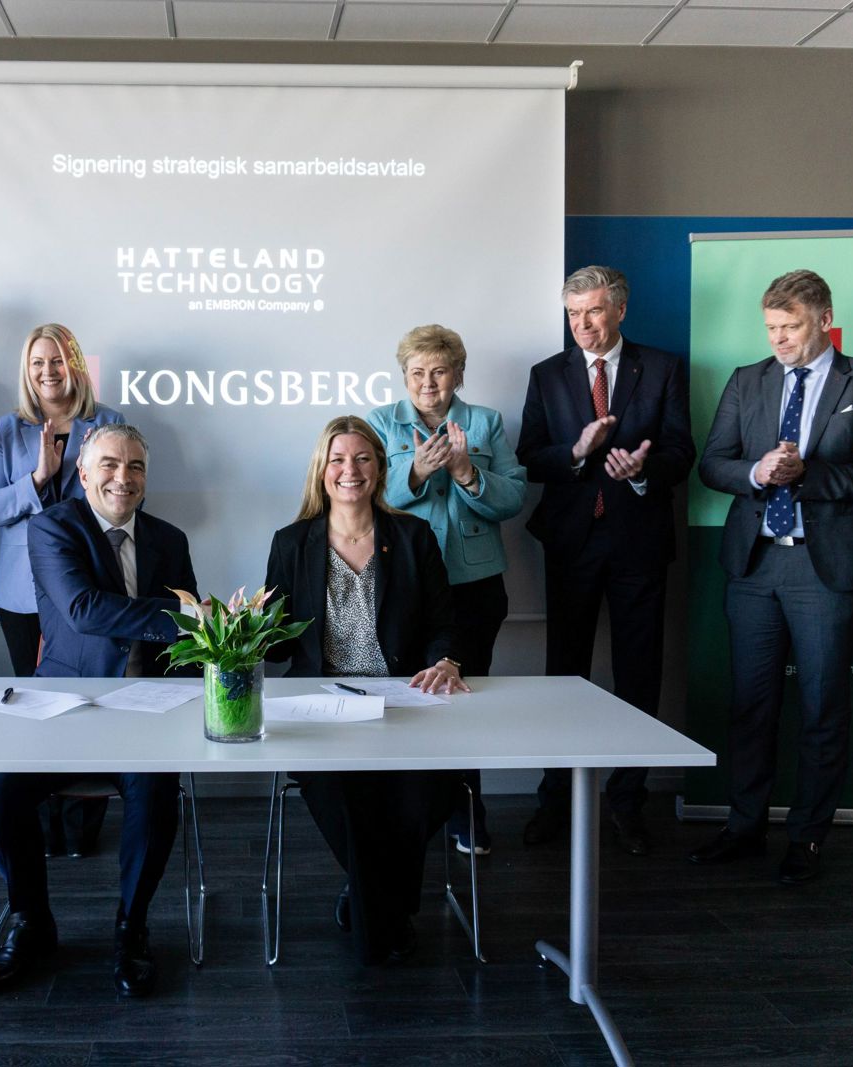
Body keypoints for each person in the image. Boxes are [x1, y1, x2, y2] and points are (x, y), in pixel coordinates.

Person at [692, 269, 853, 884]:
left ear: (824, 318)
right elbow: (713, 464)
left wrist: (803, 472)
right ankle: (744, 827)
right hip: (754, 565)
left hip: (825, 569)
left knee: (822, 707)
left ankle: (807, 838)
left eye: (791, 326)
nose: (779, 339)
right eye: (771, 328)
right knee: (750, 706)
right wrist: (757, 474)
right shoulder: (746, 379)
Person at [0, 424, 197, 997]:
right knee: (0, 790)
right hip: (65, 708)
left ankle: (131, 927)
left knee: (155, 794)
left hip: (148, 710)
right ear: (82, 472)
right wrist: (184, 617)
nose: (123, 478)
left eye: (135, 467)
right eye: (109, 465)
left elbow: (191, 636)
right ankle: (31, 921)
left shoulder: (169, 539)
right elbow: (82, 609)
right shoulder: (53, 526)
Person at [264, 415, 468, 965]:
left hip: (404, 702)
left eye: (362, 458)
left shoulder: (413, 537)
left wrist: (446, 660)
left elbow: (444, 623)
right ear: (321, 470)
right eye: (337, 459)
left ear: (380, 468)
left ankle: (367, 895)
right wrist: (246, 629)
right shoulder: (291, 543)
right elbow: (277, 647)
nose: (349, 470)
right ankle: (390, 917)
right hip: (321, 708)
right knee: (344, 796)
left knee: (424, 793)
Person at [516, 266, 696, 856]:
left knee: (638, 674)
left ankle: (627, 802)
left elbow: (681, 452)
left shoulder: (662, 368)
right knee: (563, 675)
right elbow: (528, 457)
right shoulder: (547, 374)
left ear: (620, 309)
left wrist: (643, 470)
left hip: (638, 539)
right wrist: (574, 452)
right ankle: (556, 799)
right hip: (571, 541)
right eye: (573, 314)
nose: (583, 325)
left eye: (593, 311)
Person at [368, 324, 526, 856]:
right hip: (403, 586)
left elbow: (512, 498)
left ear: (458, 374)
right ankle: (402, 815)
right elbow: (362, 496)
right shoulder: (380, 423)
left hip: (473, 587)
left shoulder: (485, 422)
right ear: (403, 376)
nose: (428, 383)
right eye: (417, 372)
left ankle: (465, 813)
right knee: (403, 701)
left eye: (439, 371)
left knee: (461, 702)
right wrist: (412, 473)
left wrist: (466, 473)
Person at [0, 324, 123, 857]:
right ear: (27, 370)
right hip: (23, 594)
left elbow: (120, 498)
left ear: (75, 365)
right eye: (38, 362)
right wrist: (38, 479)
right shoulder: (7, 429)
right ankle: (40, 824)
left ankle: (83, 822)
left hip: (89, 590)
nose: (48, 371)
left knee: (91, 702)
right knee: (37, 708)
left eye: (57, 360)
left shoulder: (107, 422)